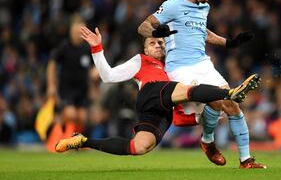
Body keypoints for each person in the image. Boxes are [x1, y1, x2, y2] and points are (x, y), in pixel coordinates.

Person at [55, 26, 260, 156]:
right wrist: (97, 48)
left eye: (160, 43)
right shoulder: (141, 61)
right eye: (152, 43)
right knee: (191, 90)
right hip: (150, 92)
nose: (157, 45)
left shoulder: (173, 71)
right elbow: (107, 76)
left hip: (159, 110)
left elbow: (179, 118)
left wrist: (200, 119)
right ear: (145, 49)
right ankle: (230, 93)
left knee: (138, 147)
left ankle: (82, 140)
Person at [138, 0, 266, 168]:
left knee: (232, 104)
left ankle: (246, 159)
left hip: (203, 63)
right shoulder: (173, 5)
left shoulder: (204, 7)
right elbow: (143, 26)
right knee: (217, 99)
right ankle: (207, 140)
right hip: (180, 68)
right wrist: (156, 32)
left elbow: (201, 31)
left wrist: (229, 43)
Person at [46, 14, 93, 151]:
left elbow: (93, 68)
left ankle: (78, 143)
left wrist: (95, 75)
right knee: (71, 114)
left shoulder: (86, 49)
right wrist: (51, 85)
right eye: (76, 31)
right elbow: (52, 64)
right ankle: (62, 136)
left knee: (83, 117)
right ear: (71, 31)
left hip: (82, 90)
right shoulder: (64, 47)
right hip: (67, 89)